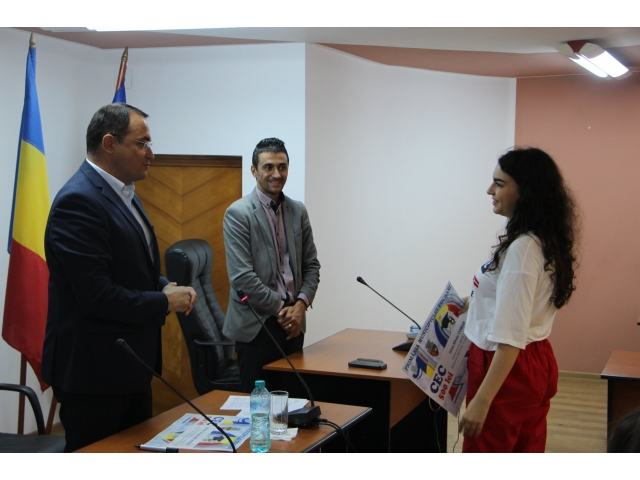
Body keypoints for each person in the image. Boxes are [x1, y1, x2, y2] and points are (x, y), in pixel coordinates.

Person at [42, 103, 197, 452]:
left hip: (131, 368)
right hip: (95, 375)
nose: (151, 154)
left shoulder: (124, 192)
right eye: (142, 143)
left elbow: (132, 267)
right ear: (109, 143)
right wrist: (163, 302)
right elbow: (96, 296)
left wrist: (163, 285)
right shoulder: (78, 201)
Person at [458, 147, 578, 452]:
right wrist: (476, 302)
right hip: (532, 358)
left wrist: (482, 401)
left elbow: (511, 335)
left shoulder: (522, 250)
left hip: (505, 365)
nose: (490, 190)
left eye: (499, 184)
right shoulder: (541, 239)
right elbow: (523, 304)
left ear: (526, 191)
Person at [223, 137, 320, 392]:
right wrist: (282, 309)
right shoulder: (238, 213)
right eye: (268, 167)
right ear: (254, 170)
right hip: (257, 327)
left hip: (293, 326)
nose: (276, 174)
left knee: (293, 404)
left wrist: (300, 306)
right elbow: (242, 279)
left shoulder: (298, 211)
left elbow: (311, 266)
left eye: (282, 167)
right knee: (258, 407)